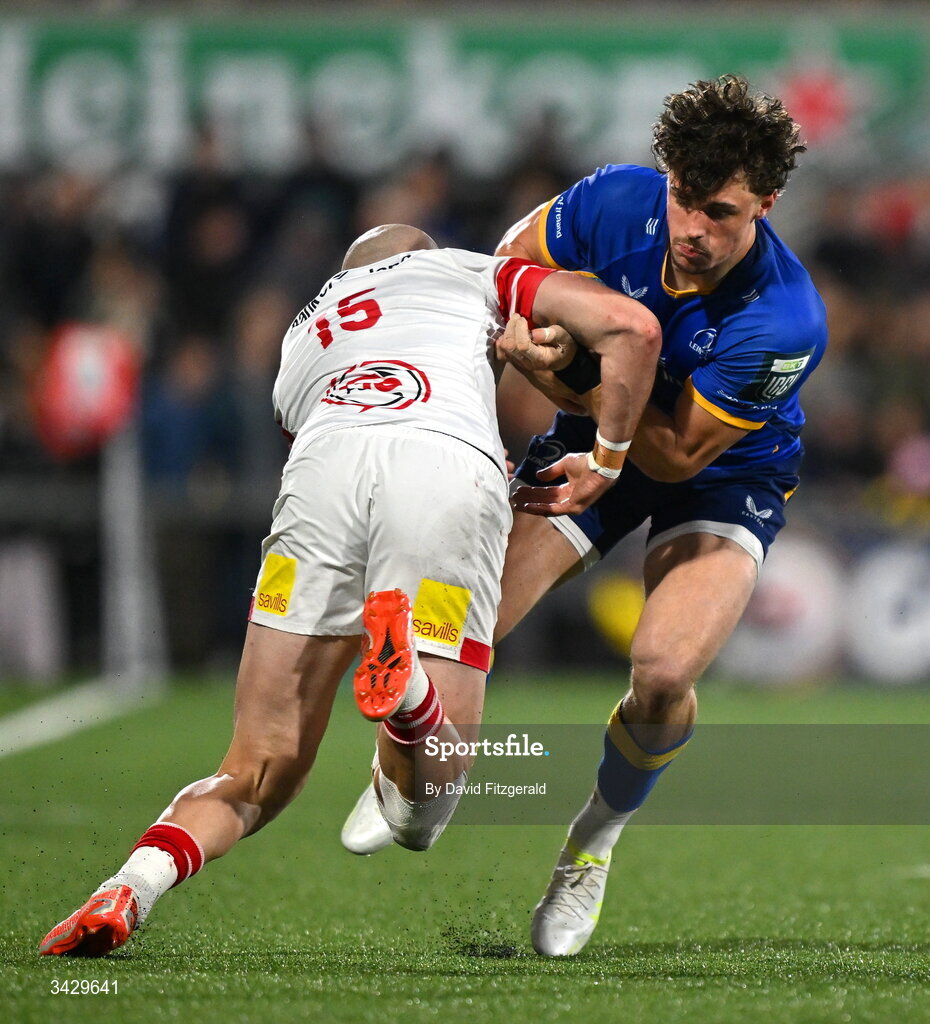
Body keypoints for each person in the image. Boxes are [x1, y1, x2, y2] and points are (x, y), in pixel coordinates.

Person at [39, 223, 660, 957]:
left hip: (322, 470)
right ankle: (405, 698)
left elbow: (295, 421)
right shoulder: (473, 272)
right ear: (421, 256)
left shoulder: (301, 335)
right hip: (441, 467)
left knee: (254, 768)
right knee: (425, 811)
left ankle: (130, 886)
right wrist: (608, 453)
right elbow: (632, 328)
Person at [343, 74, 827, 957]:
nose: (692, 229)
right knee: (463, 618)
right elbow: (506, 267)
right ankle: (403, 776)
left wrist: (551, 369)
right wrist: (528, 328)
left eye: (719, 211)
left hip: (720, 471)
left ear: (768, 200)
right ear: (664, 176)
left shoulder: (785, 318)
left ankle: (590, 844)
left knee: (663, 670)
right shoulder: (613, 200)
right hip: (594, 433)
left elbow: (677, 453)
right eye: (683, 198)